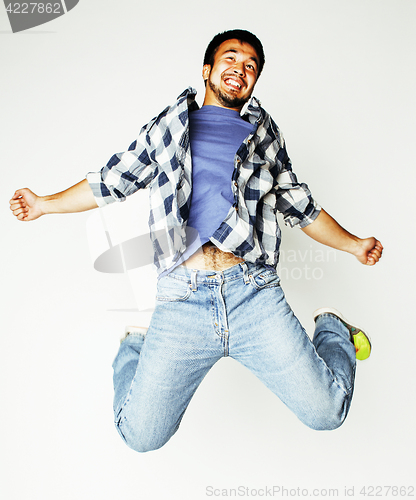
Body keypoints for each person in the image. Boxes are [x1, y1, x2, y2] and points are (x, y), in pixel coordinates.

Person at [10, 29, 383, 453]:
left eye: (251, 66)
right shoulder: (169, 126)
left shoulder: (263, 135)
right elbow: (111, 181)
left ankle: (333, 327)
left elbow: (300, 206)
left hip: (253, 295)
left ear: (253, 81)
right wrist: (43, 203)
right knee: (141, 436)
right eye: (231, 58)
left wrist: (354, 245)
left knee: (327, 412)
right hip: (181, 297)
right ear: (207, 69)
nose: (240, 69)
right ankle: (135, 345)